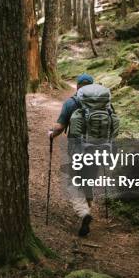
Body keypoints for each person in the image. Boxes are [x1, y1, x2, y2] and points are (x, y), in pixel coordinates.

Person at [49, 73, 96, 236]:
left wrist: (51, 134)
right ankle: (88, 206)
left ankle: (84, 213)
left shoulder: (70, 103)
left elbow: (60, 127)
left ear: (77, 86)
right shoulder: (103, 103)